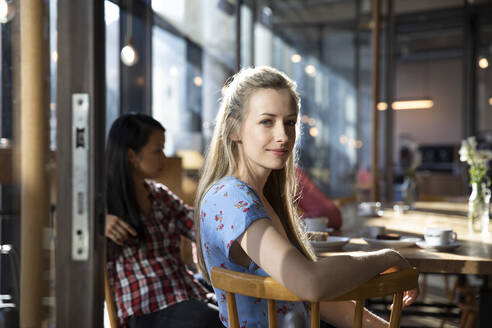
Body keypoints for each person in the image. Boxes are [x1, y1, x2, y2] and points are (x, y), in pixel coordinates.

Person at [193, 66, 418, 328]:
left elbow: (316, 299)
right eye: (267, 121)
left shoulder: (257, 196)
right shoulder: (231, 198)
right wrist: (388, 257)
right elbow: (310, 283)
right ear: (234, 130)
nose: (283, 136)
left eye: (289, 122)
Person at [105, 113, 221, 328]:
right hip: (143, 310)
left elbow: (197, 225)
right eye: (157, 150)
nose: (164, 158)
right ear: (132, 156)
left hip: (183, 294)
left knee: (237, 311)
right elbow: (73, 234)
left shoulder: (159, 195)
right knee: (211, 320)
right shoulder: (105, 203)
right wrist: (98, 222)